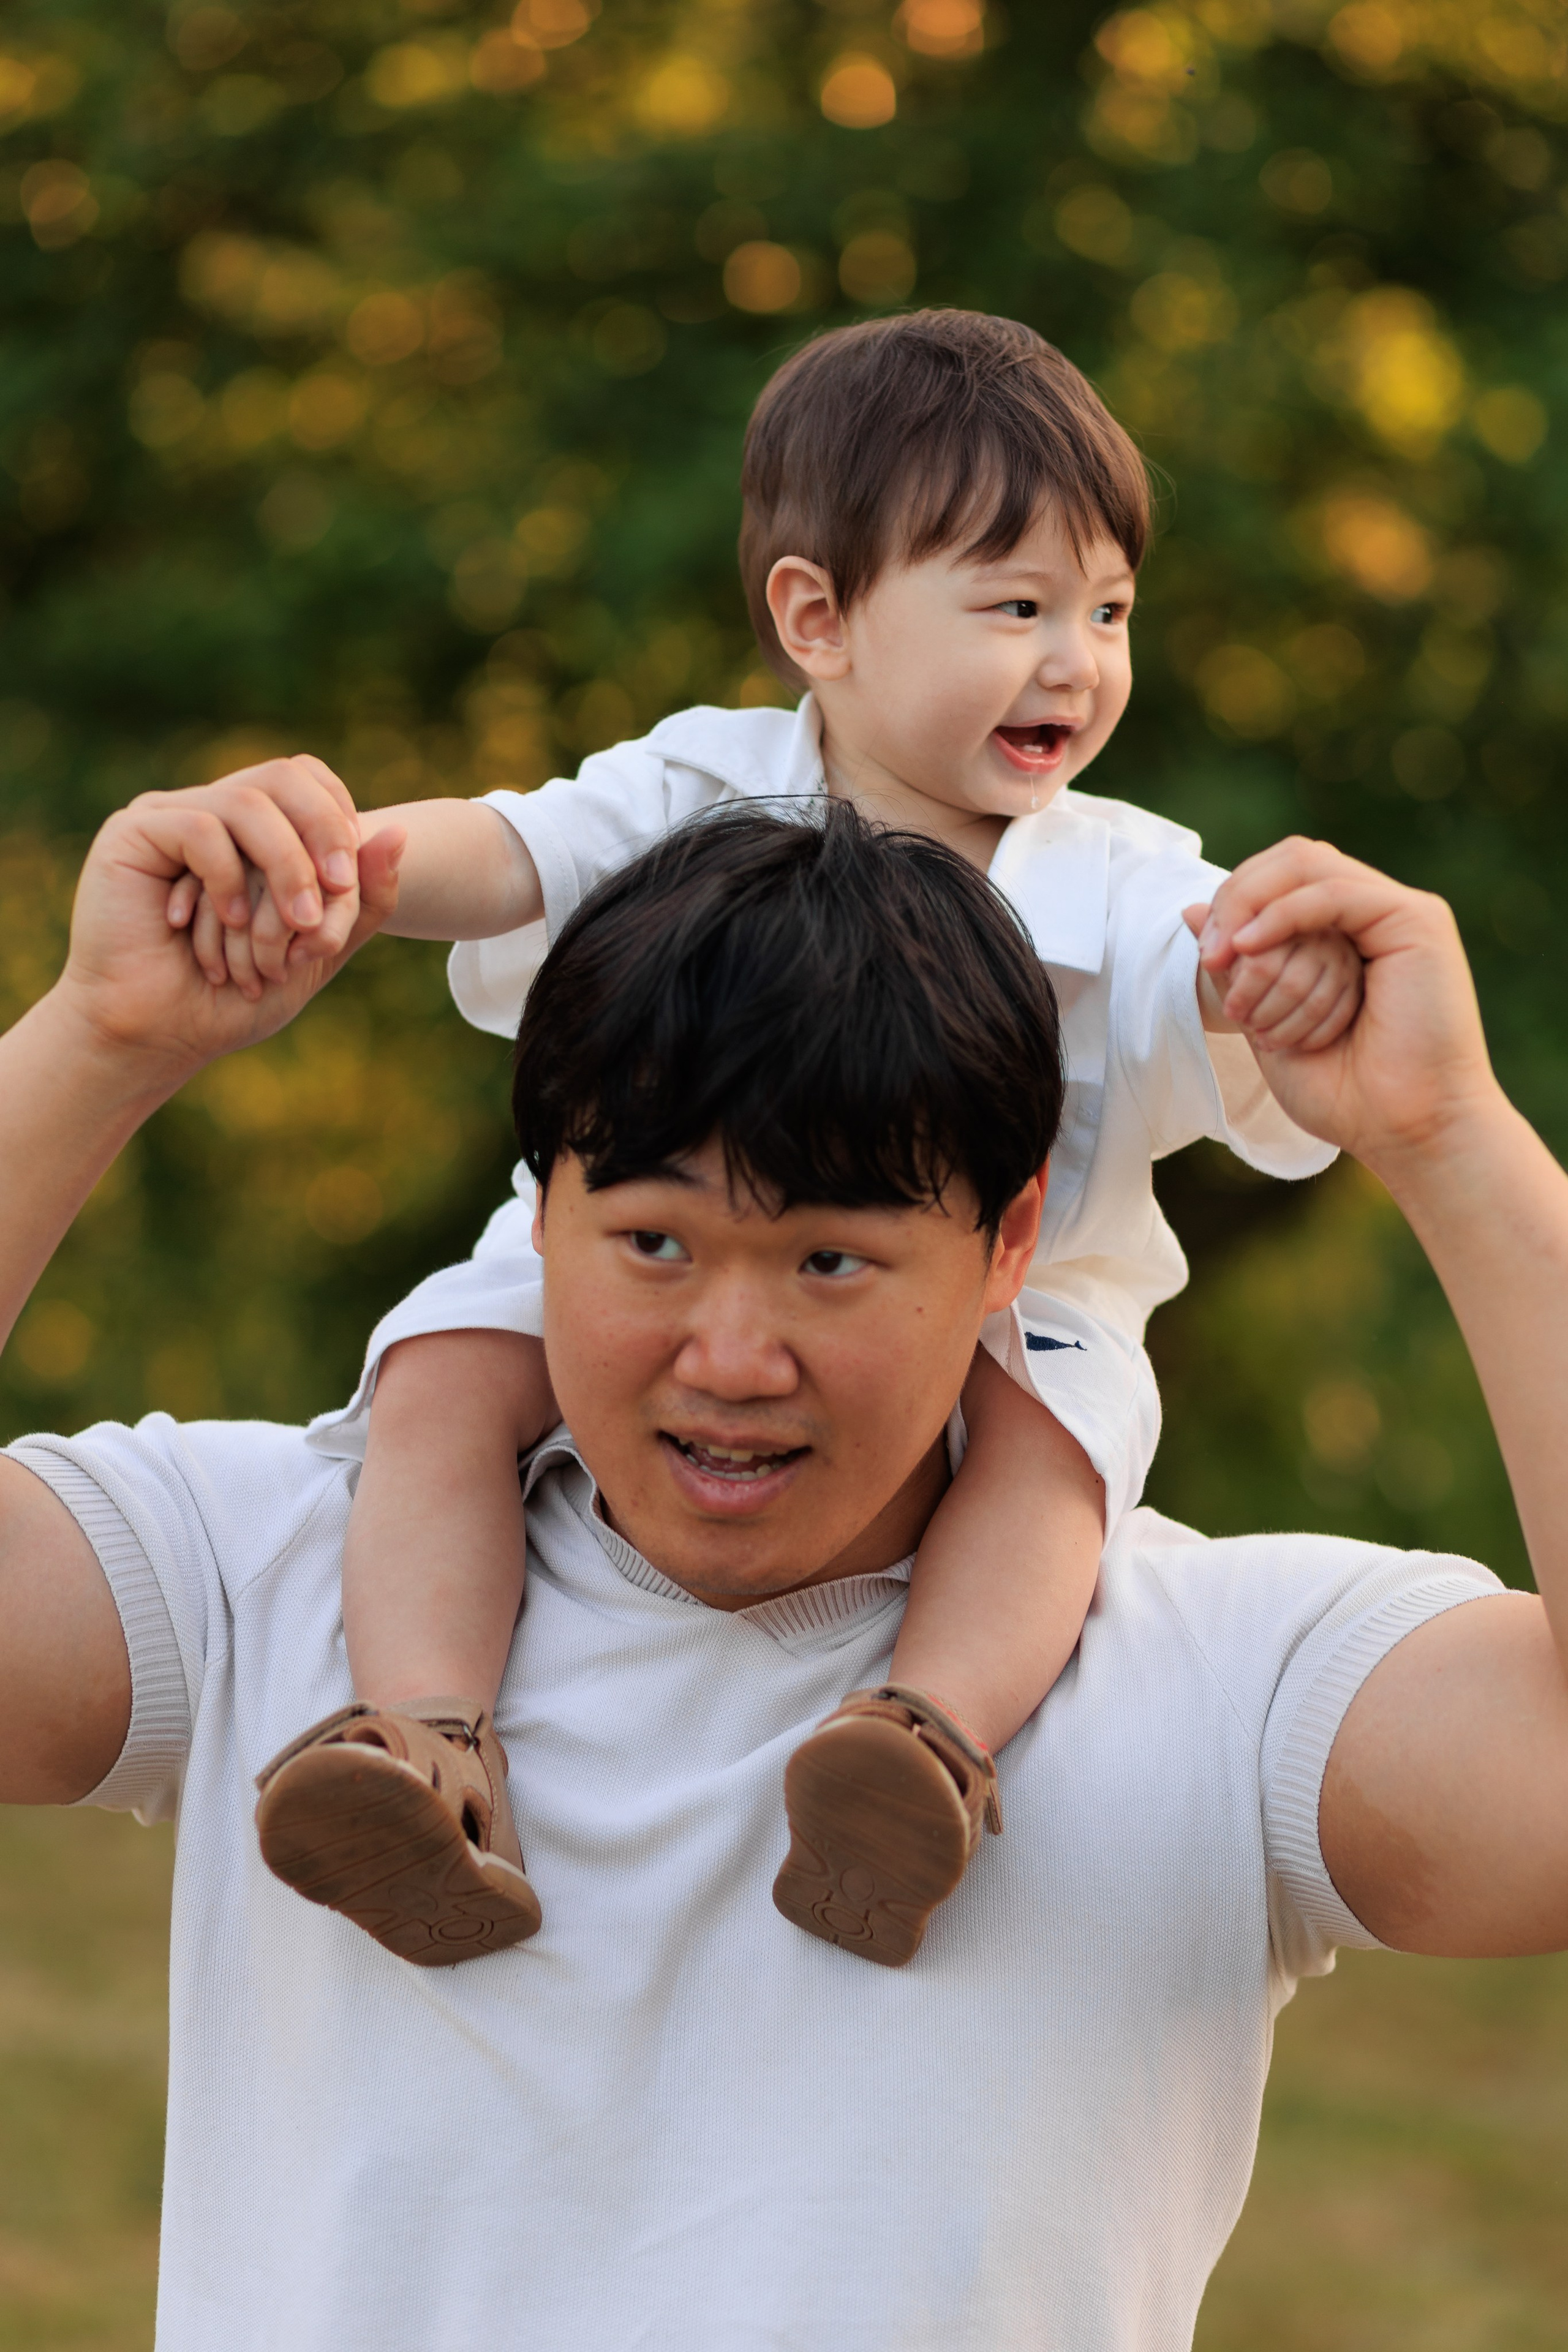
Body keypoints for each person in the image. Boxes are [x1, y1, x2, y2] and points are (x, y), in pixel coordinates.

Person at [2, 778, 1566, 2351]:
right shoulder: (258, 1567)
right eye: (654, 1243)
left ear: (1010, 1243)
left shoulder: (1224, 1683)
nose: (732, 1359)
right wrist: (97, 1041)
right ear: (540, 1213)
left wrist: (1452, 1145)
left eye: (829, 1260)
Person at [180, 310, 1363, 1966]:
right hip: (651, 1249)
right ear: (818, 619)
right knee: (442, 1374)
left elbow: (1205, 974)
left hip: (1012, 1304)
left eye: (1107, 612)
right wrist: (342, 866)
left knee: (1052, 1453)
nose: (1076, 663)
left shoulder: (1121, 875)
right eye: (1016, 608)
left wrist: (1273, 974)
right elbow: (517, 852)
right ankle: (426, 1746)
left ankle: (914, 1750)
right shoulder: (703, 786)